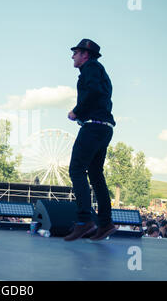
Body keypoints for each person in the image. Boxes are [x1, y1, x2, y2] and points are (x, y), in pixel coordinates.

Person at [64, 39, 116, 241]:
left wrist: (77, 111)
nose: (72, 56)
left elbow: (94, 92)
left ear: (85, 54)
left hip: (93, 126)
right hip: (105, 127)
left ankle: (84, 220)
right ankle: (105, 223)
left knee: (76, 169)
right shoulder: (100, 71)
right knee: (95, 174)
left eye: (75, 53)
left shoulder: (91, 68)